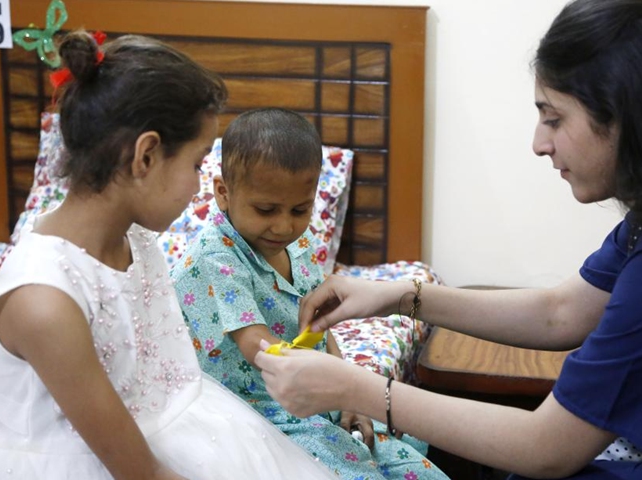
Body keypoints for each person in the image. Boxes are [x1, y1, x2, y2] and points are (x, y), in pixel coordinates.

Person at [254, 0, 642, 479]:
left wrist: (358, 388)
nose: (538, 144)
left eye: (554, 117)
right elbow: (561, 311)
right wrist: (402, 295)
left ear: (628, 116)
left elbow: (547, 446)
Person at [0, 32, 336, 480]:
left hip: (185, 424)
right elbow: (138, 471)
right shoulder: (44, 302)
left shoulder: (136, 240)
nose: (201, 183)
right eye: (197, 163)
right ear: (146, 156)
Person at [172, 108, 449, 480]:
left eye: (300, 209)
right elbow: (253, 341)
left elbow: (320, 322)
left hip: (316, 390)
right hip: (266, 408)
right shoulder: (215, 257)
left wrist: (348, 394)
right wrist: (326, 384)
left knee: (417, 468)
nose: (284, 225)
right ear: (223, 192)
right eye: (266, 209)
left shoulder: (300, 241)